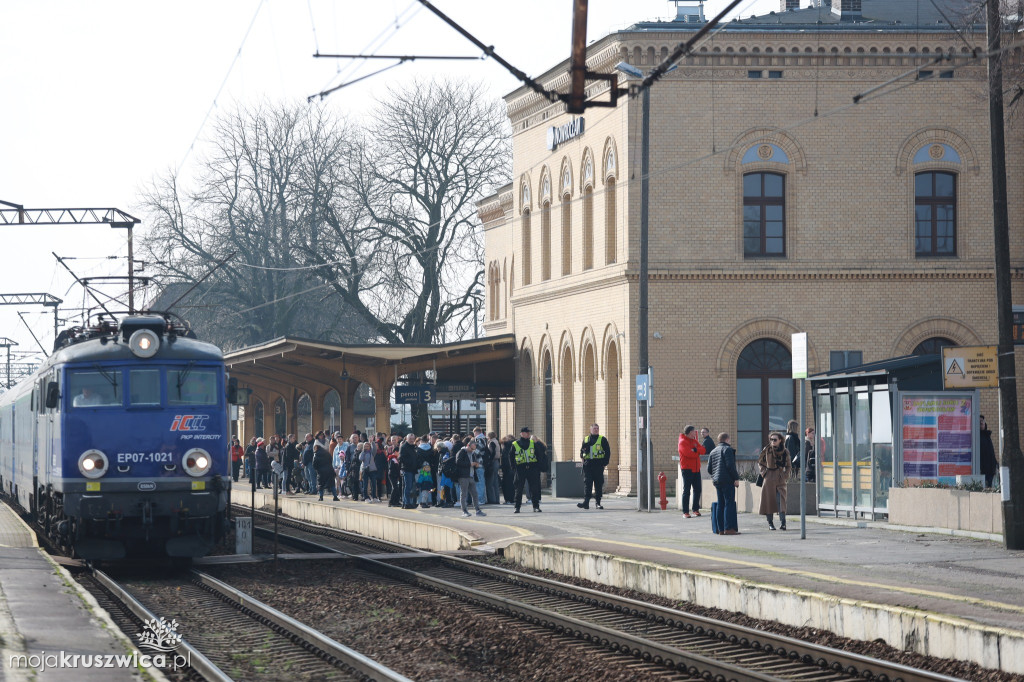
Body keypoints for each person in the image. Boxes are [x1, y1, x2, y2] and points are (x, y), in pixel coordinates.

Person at [707, 432, 740, 535]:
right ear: (727, 439)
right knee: (729, 504)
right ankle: (728, 528)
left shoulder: (713, 451)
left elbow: (709, 469)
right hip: (727, 481)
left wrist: (715, 476)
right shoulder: (727, 449)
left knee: (721, 504)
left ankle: (720, 529)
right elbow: (730, 466)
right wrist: (736, 478)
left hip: (717, 481)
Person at [758, 431, 791, 531]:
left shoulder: (785, 451)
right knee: (769, 501)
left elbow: (789, 466)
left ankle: (783, 523)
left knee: (781, 501)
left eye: (775, 440)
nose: (772, 441)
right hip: (769, 478)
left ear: (780, 440)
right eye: (771, 439)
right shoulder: (767, 450)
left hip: (780, 477)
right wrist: (764, 473)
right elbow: (760, 462)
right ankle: (770, 523)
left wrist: (785, 476)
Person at [511, 426, 547, 513]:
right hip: (520, 468)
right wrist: (514, 468)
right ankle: (517, 507)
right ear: (522, 433)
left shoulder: (533, 443)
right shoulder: (515, 444)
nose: (528, 434)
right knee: (519, 489)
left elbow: (540, 453)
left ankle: (536, 507)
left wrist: (538, 466)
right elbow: (511, 457)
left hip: (532, 468)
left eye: (529, 433)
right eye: (527, 433)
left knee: (534, 489)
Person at [577, 423, 610, 510]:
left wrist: (604, 463)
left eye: (597, 428)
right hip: (588, 465)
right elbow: (581, 451)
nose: (596, 430)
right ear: (590, 429)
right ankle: (586, 502)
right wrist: (582, 457)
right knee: (587, 484)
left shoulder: (602, 439)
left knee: (598, 484)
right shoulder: (586, 439)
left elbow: (607, 452)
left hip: (598, 465)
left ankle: (598, 503)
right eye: (594, 428)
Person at [677, 425, 705, 518]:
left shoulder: (694, 441)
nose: (695, 433)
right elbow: (689, 454)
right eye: (694, 431)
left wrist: (695, 450)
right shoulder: (682, 442)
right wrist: (696, 452)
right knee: (687, 490)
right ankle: (685, 512)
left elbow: (704, 450)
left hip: (696, 468)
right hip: (687, 469)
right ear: (689, 432)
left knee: (698, 490)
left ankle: (695, 509)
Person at [455, 438, 486, 517]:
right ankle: (464, 511)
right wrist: (470, 464)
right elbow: (458, 462)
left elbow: (473, 462)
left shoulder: (473, 453)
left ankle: (477, 510)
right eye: (474, 444)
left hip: (471, 475)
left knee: (475, 494)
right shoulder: (462, 452)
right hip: (463, 476)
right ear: (469, 445)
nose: (475, 446)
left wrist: (476, 465)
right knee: (464, 493)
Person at [313, 431, 339, 501]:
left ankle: (321, 497)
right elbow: (331, 460)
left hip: (321, 472)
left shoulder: (316, 455)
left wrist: (317, 469)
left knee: (321, 484)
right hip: (329, 470)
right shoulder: (327, 454)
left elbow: (314, 464)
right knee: (332, 483)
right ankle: (335, 496)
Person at [399, 433, 421, 509]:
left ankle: (410, 502)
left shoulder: (414, 447)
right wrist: (410, 463)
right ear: (407, 439)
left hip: (413, 470)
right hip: (407, 469)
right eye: (410, 439)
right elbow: (401, 458)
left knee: (411, 487)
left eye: (413, 439)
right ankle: (407, 503)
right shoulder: (404, 447)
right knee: (408, 487)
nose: (412, 440)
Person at [979, 415, 998, 489]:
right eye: (979, 421)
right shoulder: (977, 436)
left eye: (982, 421)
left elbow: (991, 452)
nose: (981, 422)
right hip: (983, 471)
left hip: (991, 470)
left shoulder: (987, 435)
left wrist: (996, 465)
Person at [484, 431, 501, 505]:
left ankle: (492, 499)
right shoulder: (497, 442)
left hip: (493, 462)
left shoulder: (491, 443)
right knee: (495, 482)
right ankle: (497, 499)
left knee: (491, 482)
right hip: (497, 461)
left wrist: (489, 460)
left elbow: (491, 452)